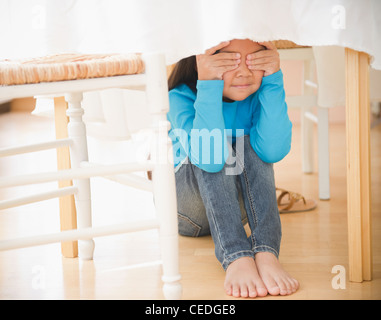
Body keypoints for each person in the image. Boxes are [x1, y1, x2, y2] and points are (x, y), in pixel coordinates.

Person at [166, 39, 299, 298]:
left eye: (255, 61)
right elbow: (209, 159)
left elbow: (274, 150)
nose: (243, 72)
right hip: (187, 212)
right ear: (200, 61)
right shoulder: (179, 96)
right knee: (216, 144)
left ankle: (266, 251)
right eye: (229, 61)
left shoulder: (256, 96)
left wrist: (273, 80)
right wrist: (208, 84)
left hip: (235, 209)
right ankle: (236, 255)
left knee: (250, 141)